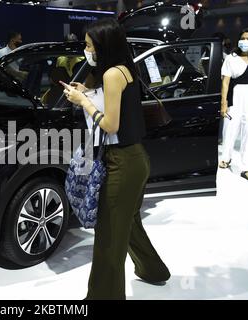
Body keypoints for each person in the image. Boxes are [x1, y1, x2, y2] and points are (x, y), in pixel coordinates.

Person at [64, 18, 170, 300]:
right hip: (133, 159)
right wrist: (86, 92)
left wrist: (82, 101)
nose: (86, 50)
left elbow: (110, 124)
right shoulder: (124, 69)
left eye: (89, 45)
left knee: (109, 236)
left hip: (122, 163)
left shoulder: (112, 74)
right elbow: (114, 105)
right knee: (129, 222)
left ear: (104, 45)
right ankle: (153, 270)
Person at [219, 29, 248, 182]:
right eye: (243, 38)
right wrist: (223, 103)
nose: (245, 41)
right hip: (236, 94)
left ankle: (246, 167)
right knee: (230, 127)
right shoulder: (231, 58)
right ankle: (226, 157)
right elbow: (225, 82)